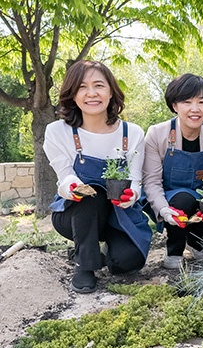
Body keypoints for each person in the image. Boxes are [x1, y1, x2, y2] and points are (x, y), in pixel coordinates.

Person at [44, 60, 151, 294]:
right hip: (75, 214)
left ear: (111, 91)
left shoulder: (131, 133)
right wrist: (72, 187)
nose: (91, 93)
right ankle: (85, 265)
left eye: (99, 86)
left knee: (129, 261)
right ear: (72, 95)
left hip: (118, 215)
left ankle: (97, 251)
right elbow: (64, 177)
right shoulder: (57, 132)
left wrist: (131, 195)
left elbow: (135, 180)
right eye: (82, 87)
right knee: (92, 193)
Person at [142, 74, 203, 269]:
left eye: (201, 102)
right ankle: (174, 250)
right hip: (167, 198)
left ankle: (196, 243)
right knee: (183, 200)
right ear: (175, 105)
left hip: (201, 197)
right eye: (187, 102)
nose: (195, 109)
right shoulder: (157, 134)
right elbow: (151, 181)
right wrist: (164, 211)